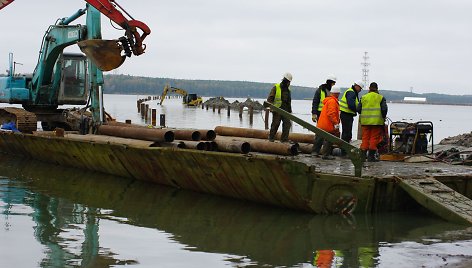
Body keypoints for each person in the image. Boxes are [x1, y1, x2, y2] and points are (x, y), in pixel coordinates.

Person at [357, 82, 388, 162]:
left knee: (365, 138)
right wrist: (383, 117)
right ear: (377, 88)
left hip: (365, 122)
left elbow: (358, 109)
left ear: (369, 88)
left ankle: (362, 156)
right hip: (376, 122)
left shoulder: (363, 97)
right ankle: (371, 157)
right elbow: (384, 109)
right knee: (374, 138)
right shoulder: (380, 98)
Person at [312, 87, 341, 160]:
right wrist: (336, 123)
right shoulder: (333, 102)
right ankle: (325, 155)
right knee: (329, 139)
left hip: (322, 124)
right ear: (337, 93)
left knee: (319, 138)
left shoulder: (329, 100)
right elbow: (331, 114)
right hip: (328, 125)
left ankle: (314, 153)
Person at [266, 72, 292, 142]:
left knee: (287, 125)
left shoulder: (288, 90)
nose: (289, 83)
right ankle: (271, 138)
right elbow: (270, 98)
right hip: (277, 109)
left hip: (286, 110)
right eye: (288, 82)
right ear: (285, 81)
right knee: (275, 124)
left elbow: (289, 101)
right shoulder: (276, 87)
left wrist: (290, 111)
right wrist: (271, 107)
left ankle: (284, 139)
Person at [339, 81, 363, 154]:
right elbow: (351, 105)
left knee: (346, 133)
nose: (360, 90)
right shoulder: (351, 92)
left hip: (346, 114)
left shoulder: (351, 92)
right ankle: (344, 151)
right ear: (357, 86)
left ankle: (344, 150)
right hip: (346, 114)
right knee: (347, 134)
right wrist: (358, 109)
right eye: (360, 88)